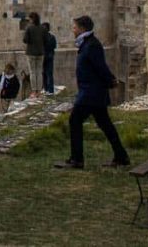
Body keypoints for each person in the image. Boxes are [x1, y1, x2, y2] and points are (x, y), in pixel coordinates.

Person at [54, 15, 130, 170]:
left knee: (75, 120)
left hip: (91, 93)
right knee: (106, 125)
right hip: (92, 92)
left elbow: (100, 66)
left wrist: (110, 80)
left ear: (82, 29)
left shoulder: (92, 45)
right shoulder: (87, 44)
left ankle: (77, 159)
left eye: (74, 27)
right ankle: (121, 156)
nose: (73, 30)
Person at [22, 11, 45, 95]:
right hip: (40, 52)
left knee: (32, 72)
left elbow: (25, 40)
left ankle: (34, 91)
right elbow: (46, 39)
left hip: (31, 52)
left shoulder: (29, 28)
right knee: (39, 71)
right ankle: (39, 90)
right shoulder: (43, 28)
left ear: (32, 19)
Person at [42, 22, 57, 94]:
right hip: (47, 56)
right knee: (45, 73)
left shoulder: (48, 37)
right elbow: (54, 46)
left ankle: (49, 90)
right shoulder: (51, 37)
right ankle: (47, 89)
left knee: (48, 74)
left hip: (47, 57)